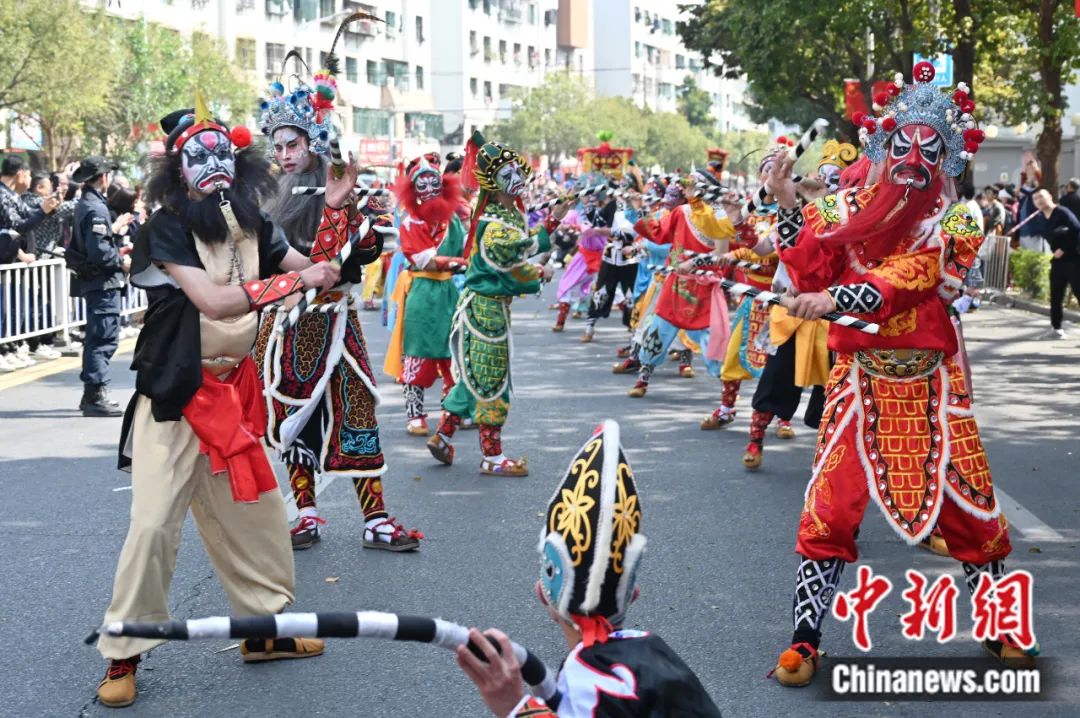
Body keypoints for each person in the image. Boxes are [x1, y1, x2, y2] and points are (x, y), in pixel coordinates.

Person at [767, 67, 1035, 687]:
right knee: (830, 507)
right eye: (904, 145)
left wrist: (838, 299)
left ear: (947, 160)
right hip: (859, 379)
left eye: (929, 150)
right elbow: (808, 269)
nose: (914, 160)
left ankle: (1000, 625)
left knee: (972, 507)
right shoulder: (843, 207)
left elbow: (917, 278)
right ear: (885, 149)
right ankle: (805, 639)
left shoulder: (958, 219)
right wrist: (785, 202)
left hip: (933, 384)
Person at [94, 95, 338, 709]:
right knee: (153, 526)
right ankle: (124, 650)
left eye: (222, 152)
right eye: (198, 156)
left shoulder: (253, 222)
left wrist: (335, 218)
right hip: (179, 398)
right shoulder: (166, 226)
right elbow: (216, 301)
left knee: (256, 516)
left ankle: (264, 632)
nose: (213, 163)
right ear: (178, 171)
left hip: (234, 393)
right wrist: (294, 282)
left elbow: (317, 271)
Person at [255, 64, 420, 552]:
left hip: (336, 322)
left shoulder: (343, 190)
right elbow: (284, 266)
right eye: (278, 147)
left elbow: (339, 263)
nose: (285, 155)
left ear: (314, 142)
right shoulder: (266, 201)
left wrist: (338, 206)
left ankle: (375, 518)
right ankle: (305, 512)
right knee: (294, 417)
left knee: (358, 410)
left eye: (293, 145)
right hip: (287, 325)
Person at [455, 420, 722, 716]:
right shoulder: (655, 652)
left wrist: (513, 707)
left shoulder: (588, 682)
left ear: (542, 592)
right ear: (633, 592)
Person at [426, 130, 564, 477]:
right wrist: (541, 269)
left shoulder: (505, 215)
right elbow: (516, 259)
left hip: (486, 307)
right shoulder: (494, 225)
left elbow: (520, 251)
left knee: (472, 379)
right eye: (508, 173)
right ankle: (492, 456)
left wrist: (552, 222)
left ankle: (443, 436)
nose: (517, 177)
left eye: (517, 170)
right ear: (494, 182)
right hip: (485, 310)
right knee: (491, 380)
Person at [625, 176, 739, 398]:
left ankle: (727, 388)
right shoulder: (681, 212)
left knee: (713, 337)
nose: (686, 190)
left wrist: (694, 263)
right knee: (658, 329)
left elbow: (722, 253)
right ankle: (643, 377)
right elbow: (658, 233)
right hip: (676, 283)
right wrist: (638, 210)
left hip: (705, 287)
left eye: (690, 186)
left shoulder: (719, 213)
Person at [385, 153, 468, 437]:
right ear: (413, 190)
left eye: (434, 182)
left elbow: (465, 248)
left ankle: (453, 410)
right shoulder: (411, 222)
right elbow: (426, 261)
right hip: (423, 292)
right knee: (417, 351)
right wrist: (460, 263)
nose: (429, 188)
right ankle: (415, 414)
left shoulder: (453, 220)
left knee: (453, 353)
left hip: (450, 291)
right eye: (422, 184)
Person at [68, 155, 128, 416]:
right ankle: (95, 395)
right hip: (102, 281)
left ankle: (90, 394)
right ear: (103, 177)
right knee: (103, 337)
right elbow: (101, 253)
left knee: (98, 336)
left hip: (97, 281)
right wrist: (122, 261)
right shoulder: (95, 208)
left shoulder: (89, 204)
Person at [1029, 189, 1080, 339]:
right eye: (1035, 199)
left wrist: (1064, 248)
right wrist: (1055, 250)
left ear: (1050, 196)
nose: (1039, 200)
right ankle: (1056, 328)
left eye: (1041, 196)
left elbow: (1077, 230)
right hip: (1058, 261)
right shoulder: (1040, 218)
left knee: (1078, 291)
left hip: (1074, 258)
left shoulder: (1062, 212)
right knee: (1056, 294)